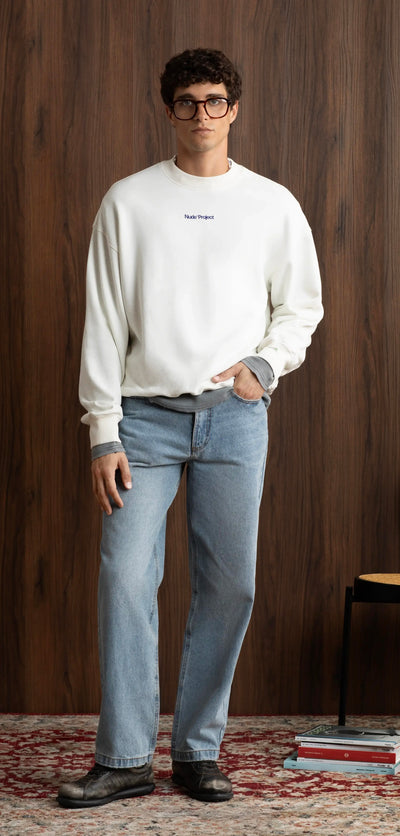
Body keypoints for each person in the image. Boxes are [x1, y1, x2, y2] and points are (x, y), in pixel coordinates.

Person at [57, 47, 323, 809]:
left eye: (214, 101)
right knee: (124, 579)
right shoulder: (128, 201)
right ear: (168, 109)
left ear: (234, 109)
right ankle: (124, 759)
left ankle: (197, 752)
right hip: (142, 421)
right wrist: (102, 430)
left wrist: (264, 366)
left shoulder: (272, 204)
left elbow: (301, 307)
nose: (201, 114)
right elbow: (104, 322)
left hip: (235, 420)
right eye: (186, 101)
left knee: (230, 585)